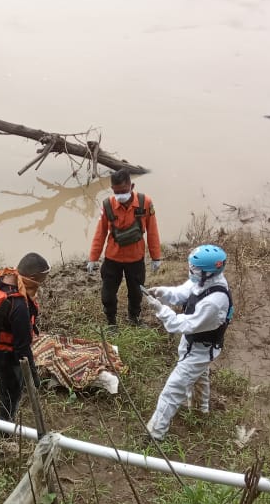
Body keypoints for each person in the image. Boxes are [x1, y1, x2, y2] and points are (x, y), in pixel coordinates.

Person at [143, 245, 233, 441]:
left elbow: (180, 323)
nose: (190, 271)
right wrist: (162, 292)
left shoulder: (214, 302)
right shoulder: (205, 282)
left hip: (200, 351)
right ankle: (201, 410)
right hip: (193, 345)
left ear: (209, 271)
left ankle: (155, 434)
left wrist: (160, 309)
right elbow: (183, 292)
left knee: (172, 389)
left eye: (194, 268)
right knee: (200, 377)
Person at [0, 252, 49, 423]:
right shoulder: (18, 305)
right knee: (9, 396)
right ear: (33, 278)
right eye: (42, 280)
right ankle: (3, 434)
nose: (42, 284)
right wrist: (33, 377)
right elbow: (22, 347)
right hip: (7, 358)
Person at [86, 169, 162, 327]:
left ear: (131, 186)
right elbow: (100, 233)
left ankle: (134, 318)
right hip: (112, 258)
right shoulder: (108, 205)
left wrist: (156, 257)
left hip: (136, 259)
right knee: (107, 295)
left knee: (136, 293)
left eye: (123, 191)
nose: (120, 195)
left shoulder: (145, 203)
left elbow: (152, 230)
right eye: (116, 192)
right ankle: (111, 323)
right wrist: (93, 258)